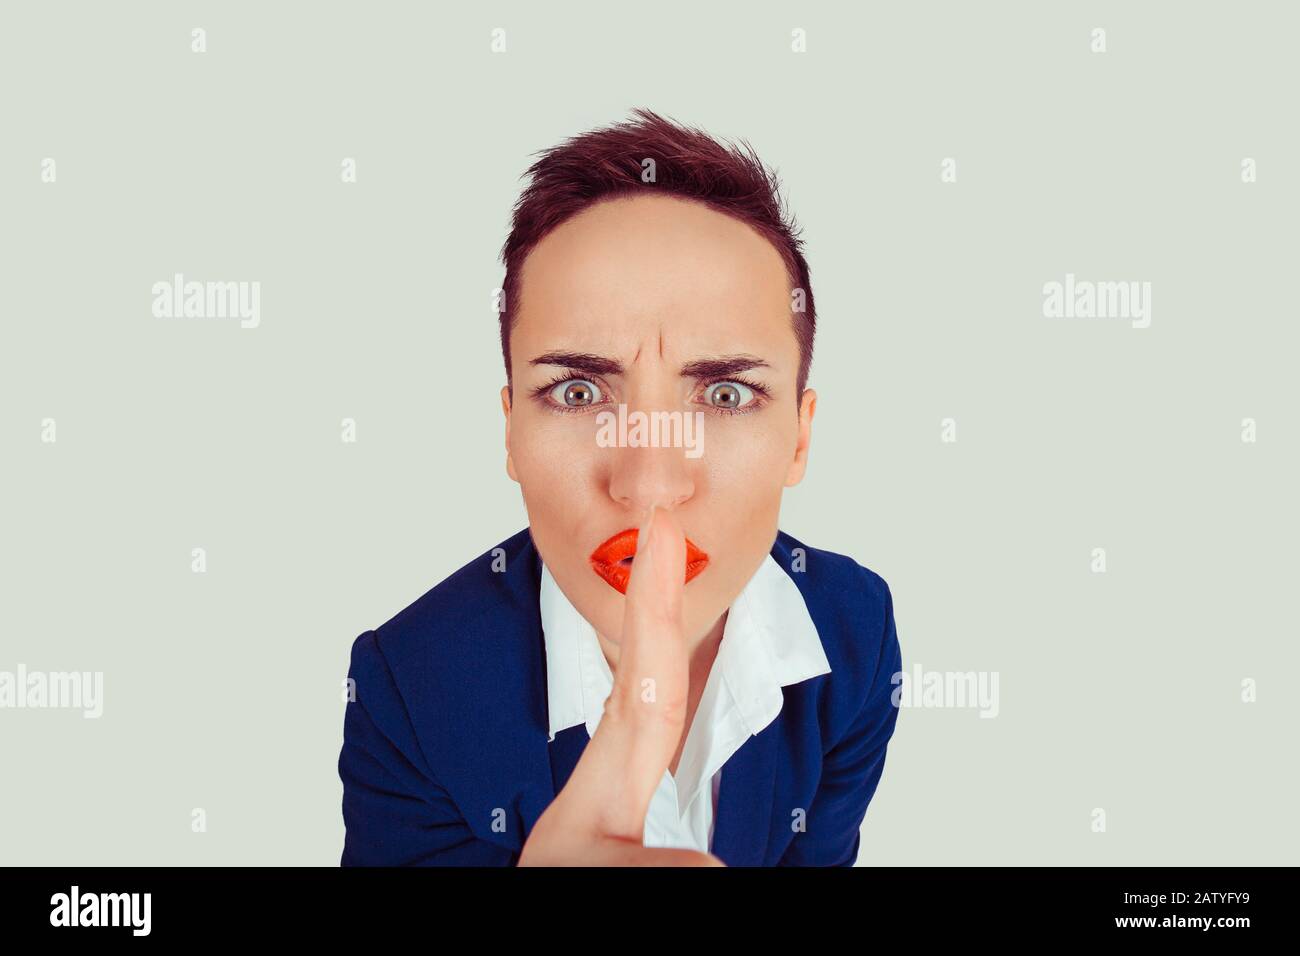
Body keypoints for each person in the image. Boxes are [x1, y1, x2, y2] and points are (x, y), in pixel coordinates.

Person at [337, 108, 902, 866]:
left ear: (800, 438)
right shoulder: (411, 690)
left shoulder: (856, 635)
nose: (649, 485)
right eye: (578, 393)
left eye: (725, 395)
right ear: (510, 432)